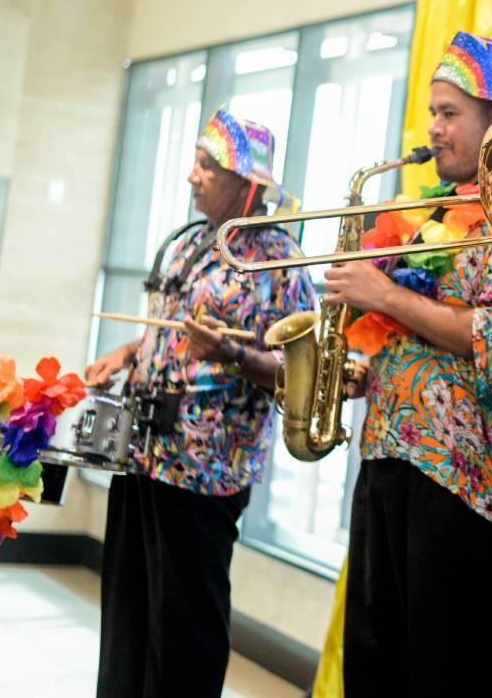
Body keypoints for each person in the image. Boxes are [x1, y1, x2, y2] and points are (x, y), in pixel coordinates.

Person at [325, 32, 492, 696]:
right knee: (374, 661)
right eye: (433, 111)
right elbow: (406, 326)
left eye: (450, 112)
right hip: (388, 456)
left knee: (447, 673)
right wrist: (364, 363)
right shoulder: (430, 208)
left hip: (466, 483)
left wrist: (384, 294)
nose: (433, 127)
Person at [86, 107, 316, 698]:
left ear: (248, 184)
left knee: (184, 628)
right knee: (128, 616)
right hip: (144, 453)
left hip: (204, 469)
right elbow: (172, 332)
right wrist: (128, 353)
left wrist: (233, 356)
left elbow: (301, 373)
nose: (193, 175)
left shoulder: (279, 261)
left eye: (208, 165)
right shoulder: (190, 243)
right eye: (194, 161)